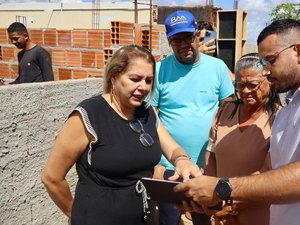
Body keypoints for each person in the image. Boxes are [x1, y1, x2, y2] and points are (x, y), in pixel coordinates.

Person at [41, 45, 201, 225]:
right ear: (114, 77)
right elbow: (51, 177)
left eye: (148, 80)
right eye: (135, 79)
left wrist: (182, 160)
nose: (143, 87)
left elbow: (172, 148)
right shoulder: (89, 115)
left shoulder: (147, 113)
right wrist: (75, 214)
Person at [173, 19, 300, 225]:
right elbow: (269, 172)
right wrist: (217, 198)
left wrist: (223, 189)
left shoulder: (278, 113)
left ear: (298, 51)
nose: (266, 71)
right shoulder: (289, 111)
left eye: (271, 60)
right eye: (240, 85)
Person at [151, 10, 234, 225]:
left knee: (203, 218)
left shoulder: (217, 68)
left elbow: (228, 109)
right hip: (170, 166)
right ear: (169, 41)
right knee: (169, 219)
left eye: (187, 37)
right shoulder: (159, 70)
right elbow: (150, 115)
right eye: (176, 40)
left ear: (198, 34)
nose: (183, 44)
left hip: (207, 165)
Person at [204, 53, 281, 225]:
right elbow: (211, 154)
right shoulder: (225, 111)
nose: (245, 91)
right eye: (240, 85)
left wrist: (233, 202)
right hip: (221, 210)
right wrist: (213, 195)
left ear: (269, 81)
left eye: (252, 85)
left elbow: (270, 172)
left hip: (257, 211)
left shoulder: (279, 118)